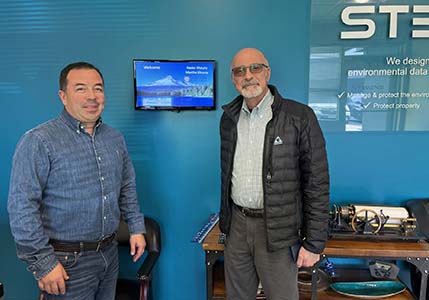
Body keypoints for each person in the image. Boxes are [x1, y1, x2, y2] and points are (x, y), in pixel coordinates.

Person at [8, 62, 146, 300]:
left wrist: (136, 228)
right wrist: (44, 264)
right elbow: (21, 208)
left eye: (98, 89)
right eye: (81, 89)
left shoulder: (114, 138)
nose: (92, 96)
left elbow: (127, 186)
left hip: (109, 255)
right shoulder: (39, 140)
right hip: (66, 263)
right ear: (63, 96)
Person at [219, 48, 330, 300]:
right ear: (233, 79)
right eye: (240, 71)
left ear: (267, 72)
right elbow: (226, 176)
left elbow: (317, 183)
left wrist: (314, 243)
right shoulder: (228, 119)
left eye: (255, 68)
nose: (248, 75)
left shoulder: (299, 117)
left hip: (279, 231)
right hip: (237, 226)